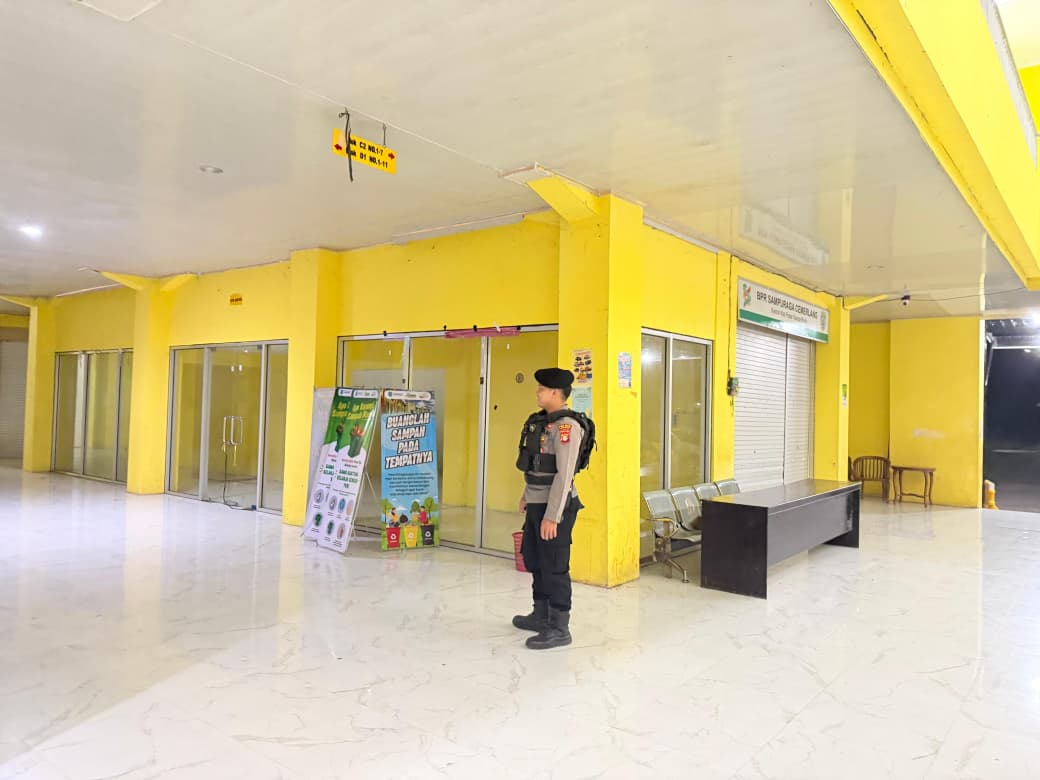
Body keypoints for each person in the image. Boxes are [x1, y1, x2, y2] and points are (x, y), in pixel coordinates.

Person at [513, 367, 584, 650]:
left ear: (555, 393)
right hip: (536, 502)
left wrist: (552, 517)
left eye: (542, 389)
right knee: (535, 559)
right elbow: (537, 466)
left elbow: (563, 476)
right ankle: (540, 615)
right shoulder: (543, 423)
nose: (537, 392)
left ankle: (559, 627)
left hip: (556, 507)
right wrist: (526, 496)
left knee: (554, 566)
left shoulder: (567, 427)